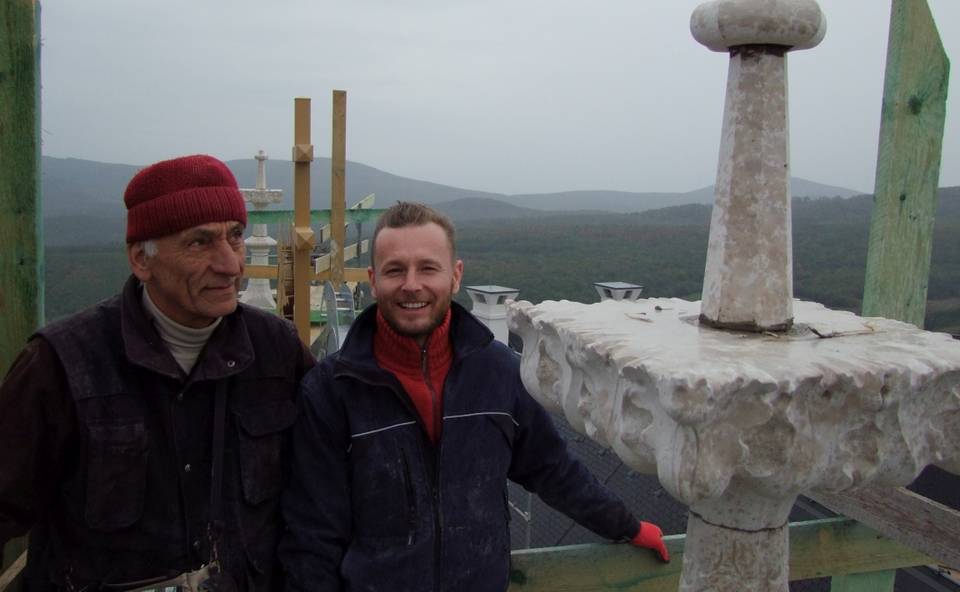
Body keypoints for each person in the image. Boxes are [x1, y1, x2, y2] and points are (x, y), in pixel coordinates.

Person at [279, 201, 669, 592]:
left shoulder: (499, 373)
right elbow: (313, 535)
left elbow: (552, 468)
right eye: (395, 270)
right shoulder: (332, 391)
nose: (411, 284)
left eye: (428, 268)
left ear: (455, 276)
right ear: (373, 279)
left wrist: (626, 526)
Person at [0, 154, 314, 592]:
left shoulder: (276, 352)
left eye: (235, 236)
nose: (231, 265)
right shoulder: (62, 364)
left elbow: (323, 493)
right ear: (141, 260)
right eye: (200, 242)